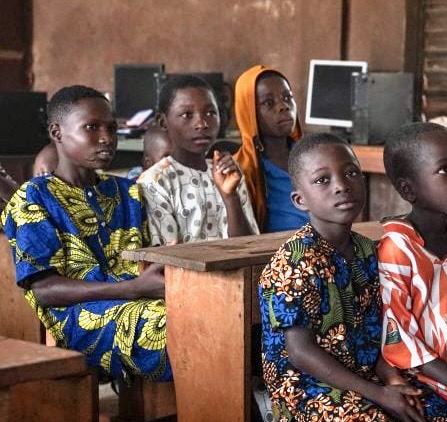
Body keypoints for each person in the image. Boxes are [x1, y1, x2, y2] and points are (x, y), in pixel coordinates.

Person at [259, 133, 436, 421]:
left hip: (365, 374)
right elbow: (300, 353)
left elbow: (376, 333)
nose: (342, 186)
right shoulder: (294, 262)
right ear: (299, 199)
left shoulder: (368, 251)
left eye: (351, 173)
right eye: (322, 180)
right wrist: (379, 395)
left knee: (435, 409)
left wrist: (393, 381)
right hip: (308, 386)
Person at [2, 85, 170, 381]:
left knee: (218, 312)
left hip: (141, 302)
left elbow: (144, 262)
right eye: (91, 127)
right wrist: (132, 289)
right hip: (76, 317)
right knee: (181, 327)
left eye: (111, 128)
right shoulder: (34, 197)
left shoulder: (127, 192)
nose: (106, 138)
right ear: (57, 133)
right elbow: (44, 290)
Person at [379, 122, 447, 422]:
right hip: (425, 379)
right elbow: (398, 336)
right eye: (445, 170)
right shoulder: (398, 248)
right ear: (408, 189)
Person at [138, 74, 259, 246]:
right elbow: (165, 258)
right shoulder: (155, 181)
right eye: (187, 114)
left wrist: (230, 197)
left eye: (210, 113)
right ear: (163, 122)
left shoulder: (228, 173)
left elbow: (249, 246)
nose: (202, 123)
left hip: (238, 271)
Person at [233, 65, 309, 233]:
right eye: (269, 103)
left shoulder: (313, 156)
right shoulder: (241, 170)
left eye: (287, 97)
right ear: (249, 112)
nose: (283, 106)